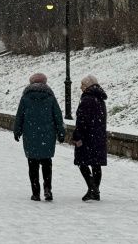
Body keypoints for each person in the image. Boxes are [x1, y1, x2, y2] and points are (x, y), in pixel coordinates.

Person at [13, 73, 66, 202]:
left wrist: (17, 131)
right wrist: (61, 132)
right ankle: (47, 189)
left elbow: (20, 116)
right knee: (47, 164)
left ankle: (35, 193)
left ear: (31, 83)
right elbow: (57, 116)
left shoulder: (26, 97)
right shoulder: (50, 97)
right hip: (47, 135)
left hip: (30, 135)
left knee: (33, 165)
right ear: (45, 83)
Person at [73, 75, 108, 201]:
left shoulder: (87, 99)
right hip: (98, 136)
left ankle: (93, 189)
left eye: (83, 84)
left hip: (87, 137)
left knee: (82, 162)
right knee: (96, 164)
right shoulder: (100, 99)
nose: (80, 87)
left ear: (88, 85)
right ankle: (95, 191)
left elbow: (82, 120)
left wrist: (77, 136)